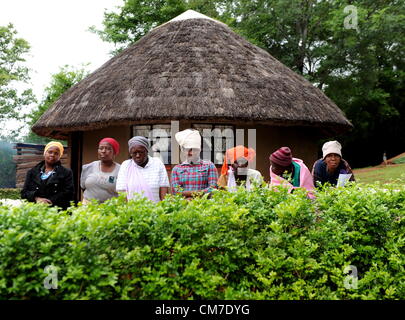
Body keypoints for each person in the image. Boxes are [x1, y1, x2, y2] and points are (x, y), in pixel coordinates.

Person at [21, 141, 74, 210]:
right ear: (45, 153)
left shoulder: (66, 173)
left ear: (59, 156)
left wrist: (48, 201)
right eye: (50, 152)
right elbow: (24, 193)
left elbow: (69, 193)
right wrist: (37, 199)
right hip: (35, 211)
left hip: (57, 211)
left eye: (56, 153)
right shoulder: (32, 172)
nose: (52, 155)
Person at [116, 136, 170, 202]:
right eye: (134, 153)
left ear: (147, 151)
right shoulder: (126, 165)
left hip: (156, 210)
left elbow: (164, 190)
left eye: (141, 152)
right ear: (130, 153)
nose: (138, 155)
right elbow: (121, 191)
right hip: (132, 210)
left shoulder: (157, 163)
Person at [171, 129, 218, 199]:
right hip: (183, 207)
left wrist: (191, 196)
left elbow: (213, 189)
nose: (191, 153)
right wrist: (197, 194)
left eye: (194, 150)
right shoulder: (176, 169)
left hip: (206, 207)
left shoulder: (209, 166)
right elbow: (176, 191)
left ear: (200, 150)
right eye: (188, 150)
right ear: (183, 150)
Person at [80, 138, 121, 204]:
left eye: (108, 149)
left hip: (111, 209)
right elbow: (83, 187)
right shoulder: (88, 167)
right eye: (101, 148)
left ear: (114, 152)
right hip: (88, 209)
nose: (103, 151)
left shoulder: (121, 170)